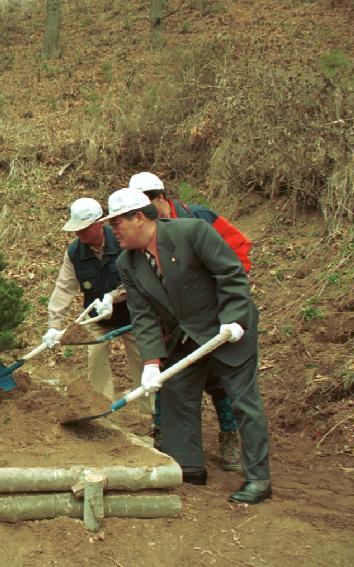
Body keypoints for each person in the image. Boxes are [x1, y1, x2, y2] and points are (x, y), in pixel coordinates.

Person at [104, 187, 271, 504]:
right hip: (188, 335)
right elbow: (143, 314)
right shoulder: (128, 263)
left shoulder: (192, 232)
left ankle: (259, 478)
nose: (113, 231)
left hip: (228, 328)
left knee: (242, 400)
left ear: (139, 218)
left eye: (117, 224)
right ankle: (188, 467)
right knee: (175, 390)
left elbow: (230, 273)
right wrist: (152, 361)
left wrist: (235, 317)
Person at [128, 171, 252, 471]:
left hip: (214, 315)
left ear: (160, 198)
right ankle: (162, 432)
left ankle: (230, 434)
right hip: (171, 318)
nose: (141, 216)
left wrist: (222, 296)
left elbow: (240, 249)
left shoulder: (199, 218)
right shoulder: (142, 237)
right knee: (167, 373)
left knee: (220, 378)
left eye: (145, 206)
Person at [42, 198, 149, 416]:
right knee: (96, 358)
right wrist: (54, 325)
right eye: (76, 229)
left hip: (131, 314)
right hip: (96, 318)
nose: (77, 234)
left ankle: (152, 414)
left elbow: (138, 280)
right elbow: (64, 288)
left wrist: (113, 297)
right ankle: (102, 410)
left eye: (82, 229)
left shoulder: (123, 241)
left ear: (99, 224)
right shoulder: (74, 253)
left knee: (143, 360)